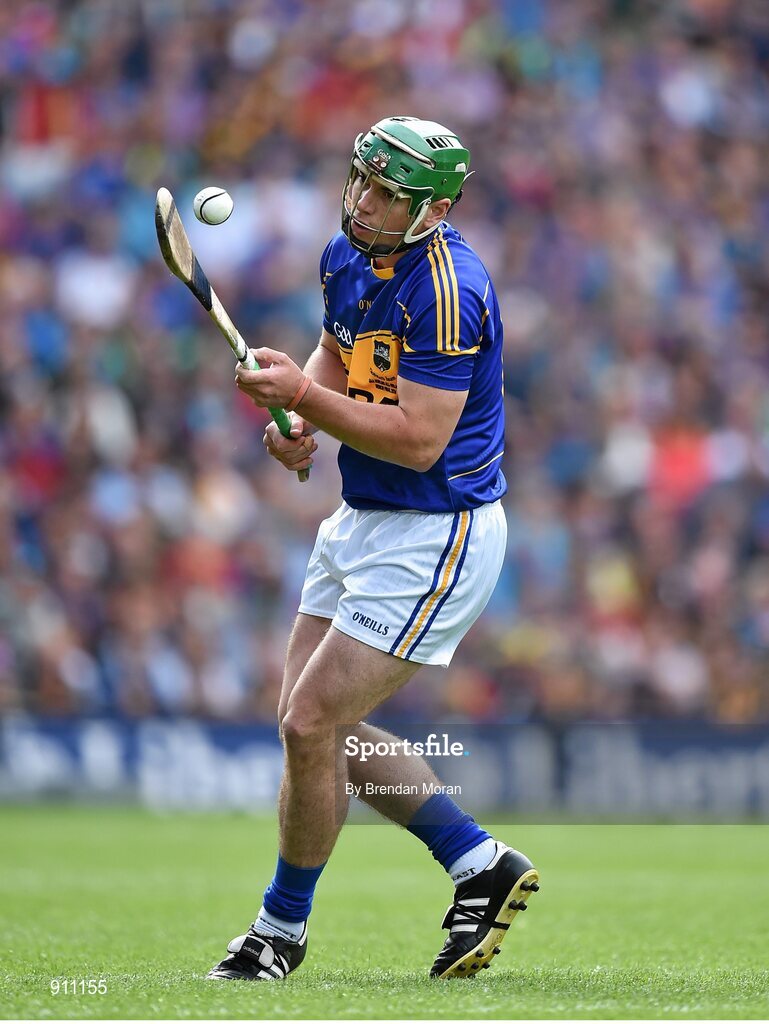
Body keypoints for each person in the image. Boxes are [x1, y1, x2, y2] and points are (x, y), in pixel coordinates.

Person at [207, 116, 539, 982]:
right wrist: (296, 415)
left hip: (436, 529)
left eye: (389, 193)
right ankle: (477, 862)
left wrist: (305, 404)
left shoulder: (448, 287)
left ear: (434, 207)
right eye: (361, 180)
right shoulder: (345, 253)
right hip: (363, 517)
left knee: (310, 722)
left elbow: (420, 439)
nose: (365, 202)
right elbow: (336, 354)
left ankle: (278, 934)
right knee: (312, 730)